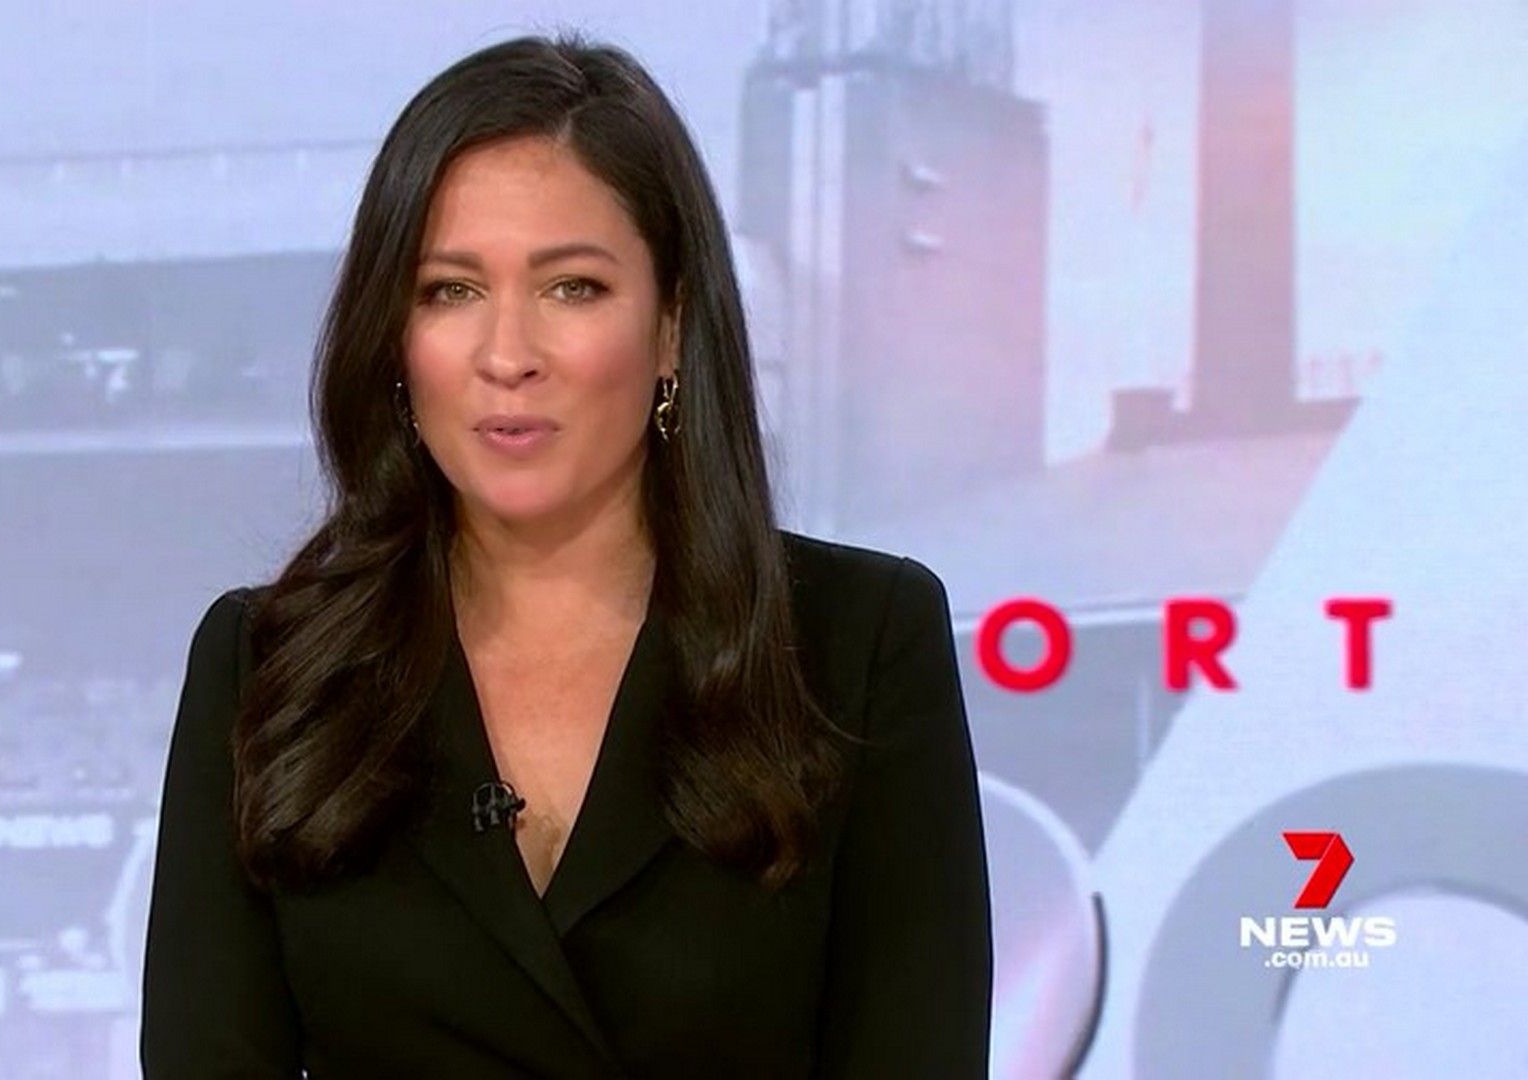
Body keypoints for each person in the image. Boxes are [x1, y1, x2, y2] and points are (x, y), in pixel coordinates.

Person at [140, 30, 992, 1079]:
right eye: (450, 291)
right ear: (394, 339)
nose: (508, 356)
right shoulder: (268, 665)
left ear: (671, 326)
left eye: (572, 288)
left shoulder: (857, 642)